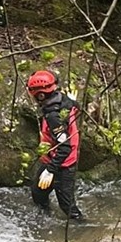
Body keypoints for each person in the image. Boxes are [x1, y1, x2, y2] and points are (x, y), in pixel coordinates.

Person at [26, 70, 82, 220]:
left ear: (40, 95)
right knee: (38, 192)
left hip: (63, 164)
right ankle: (44, 218)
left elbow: (65, 146)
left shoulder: (53, 117)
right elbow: (75, 108)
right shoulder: (64, 100)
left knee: (67, 206)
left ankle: (82, 227)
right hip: (52, 159)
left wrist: (50, 171)